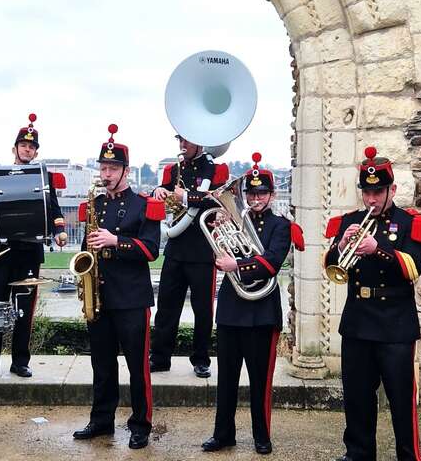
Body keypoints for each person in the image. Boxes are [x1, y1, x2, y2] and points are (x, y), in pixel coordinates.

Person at [324, 146, 421, 461]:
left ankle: (407, 456)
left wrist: (378, 248)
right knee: (357, 400)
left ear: (392, 190)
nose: (372, 199)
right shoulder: (349, 221)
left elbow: (412, 267)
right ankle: (358, 454)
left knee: (401, 401)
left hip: (395, 325)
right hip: (358, 322)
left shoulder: (412, 223)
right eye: (367, 192)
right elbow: (331, 263)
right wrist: (342, 245)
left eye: (378, 191)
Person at [202, 152, 304, 455]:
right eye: (250, 193)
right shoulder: (232, 220)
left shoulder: (281, 226)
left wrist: (239, 265)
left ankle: (262, 435)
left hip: (261, 312)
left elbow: (272, 263)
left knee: (261, 380)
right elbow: (218, 258)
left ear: (271, 195)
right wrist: (221, 238)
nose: (255, 198)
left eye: (261, 193)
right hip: (233, 309)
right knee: (227, 380)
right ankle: (223, 434)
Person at [72, 124, 165, 450]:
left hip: (131, 299)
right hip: (100, 298)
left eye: (112, 168)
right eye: (103, 167)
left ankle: (140, 424)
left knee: (137, 366)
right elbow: (86, 249)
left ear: (126, 170)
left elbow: (151, 250)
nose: (106, 173)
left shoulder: (144, 205)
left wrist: (116, 241)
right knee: (102, 364)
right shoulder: (94, 204)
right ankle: (101, 421)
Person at [0, 113, 67, 379]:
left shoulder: (43, 177)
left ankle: (20, 362)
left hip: (29, 251)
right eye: (23, 145)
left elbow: (54, 209)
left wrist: (59, 231)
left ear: (36, 152)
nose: (28, 149)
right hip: (0, 251)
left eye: (32, 146)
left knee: (24, 309)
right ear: (15, 148)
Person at [150, 134, 226, 378]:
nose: (182, 146)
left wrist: (184, 196)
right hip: (176, 247)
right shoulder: (174, 169)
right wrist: (160, 190)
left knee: (203, 310)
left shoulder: (216, 169)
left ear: (200, 142)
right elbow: (160, 193)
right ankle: (160, 357)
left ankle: (201, 359)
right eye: (180, 141)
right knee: (166, 307)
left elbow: (216, 200)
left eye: (187, 141)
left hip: (203, 249)